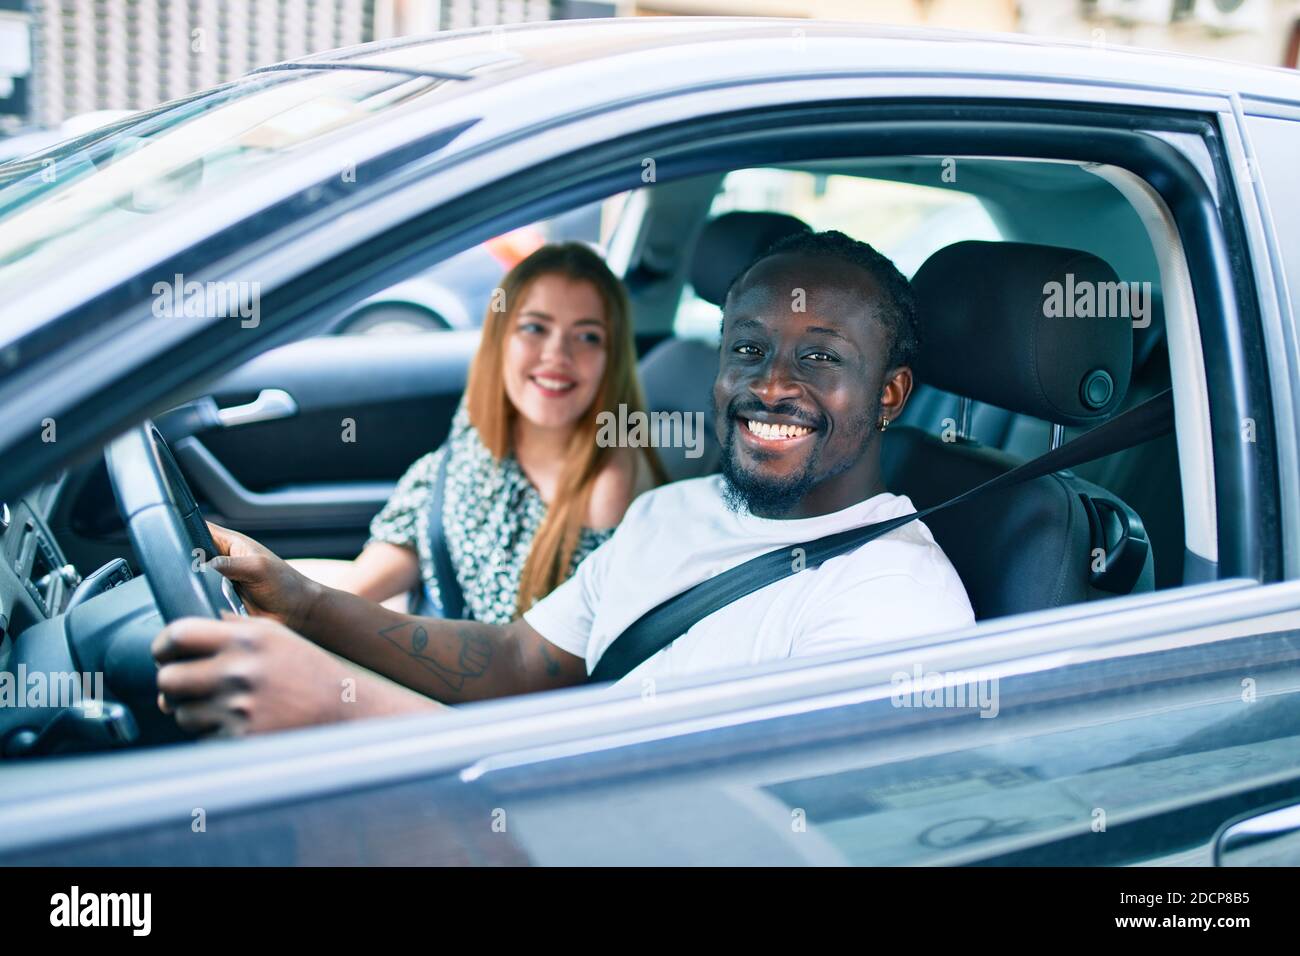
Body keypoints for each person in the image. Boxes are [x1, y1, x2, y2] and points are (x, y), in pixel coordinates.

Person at [152, 230, 975, 736]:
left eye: (822, 357)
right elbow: (525, 661)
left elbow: (706, 825)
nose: (771, 385)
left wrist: (340, 705)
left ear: (890, 394)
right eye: (749, 348)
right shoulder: (675, 511)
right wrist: (302, 602)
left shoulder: (891, 602)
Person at [297, 242, 662, 622]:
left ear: (612, 358)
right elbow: (423, 528)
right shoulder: (489, 419)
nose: (557, 355)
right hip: (425, 612)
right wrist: (329, 602)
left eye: (588, 336)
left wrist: (339, 620)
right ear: (500, 339)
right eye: (534, 328)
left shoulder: (609, 478)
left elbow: (530, 658)